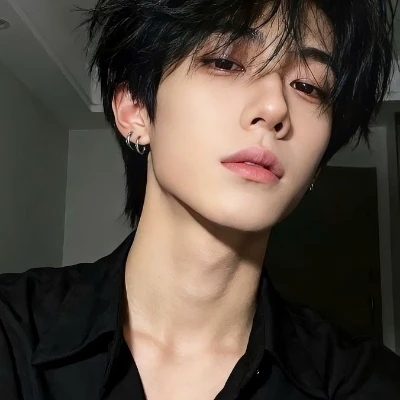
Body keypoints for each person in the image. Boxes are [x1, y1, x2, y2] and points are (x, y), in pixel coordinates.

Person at [1, 0, 399, 399]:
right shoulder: (12, 329)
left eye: (308, 86)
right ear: (135, 109)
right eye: (225, 62)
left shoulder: (369, 382)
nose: (275, 107)